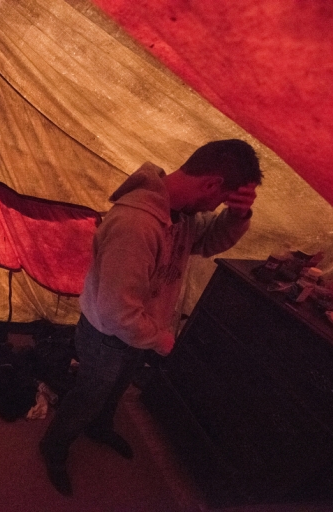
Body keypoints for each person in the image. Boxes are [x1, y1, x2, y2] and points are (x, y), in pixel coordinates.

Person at [39, 139, 263, 496]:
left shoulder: (181, 214)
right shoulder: (137, 225)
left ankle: (100, 427)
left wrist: (236, 216)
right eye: (220, 200)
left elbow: (205, 243)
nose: (215, 207)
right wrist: (162, 340)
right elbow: (116, 314)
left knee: (114, 388)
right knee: (89, 394)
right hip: (106, 336)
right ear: (211, 185)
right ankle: (54, 448)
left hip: (135, 331)